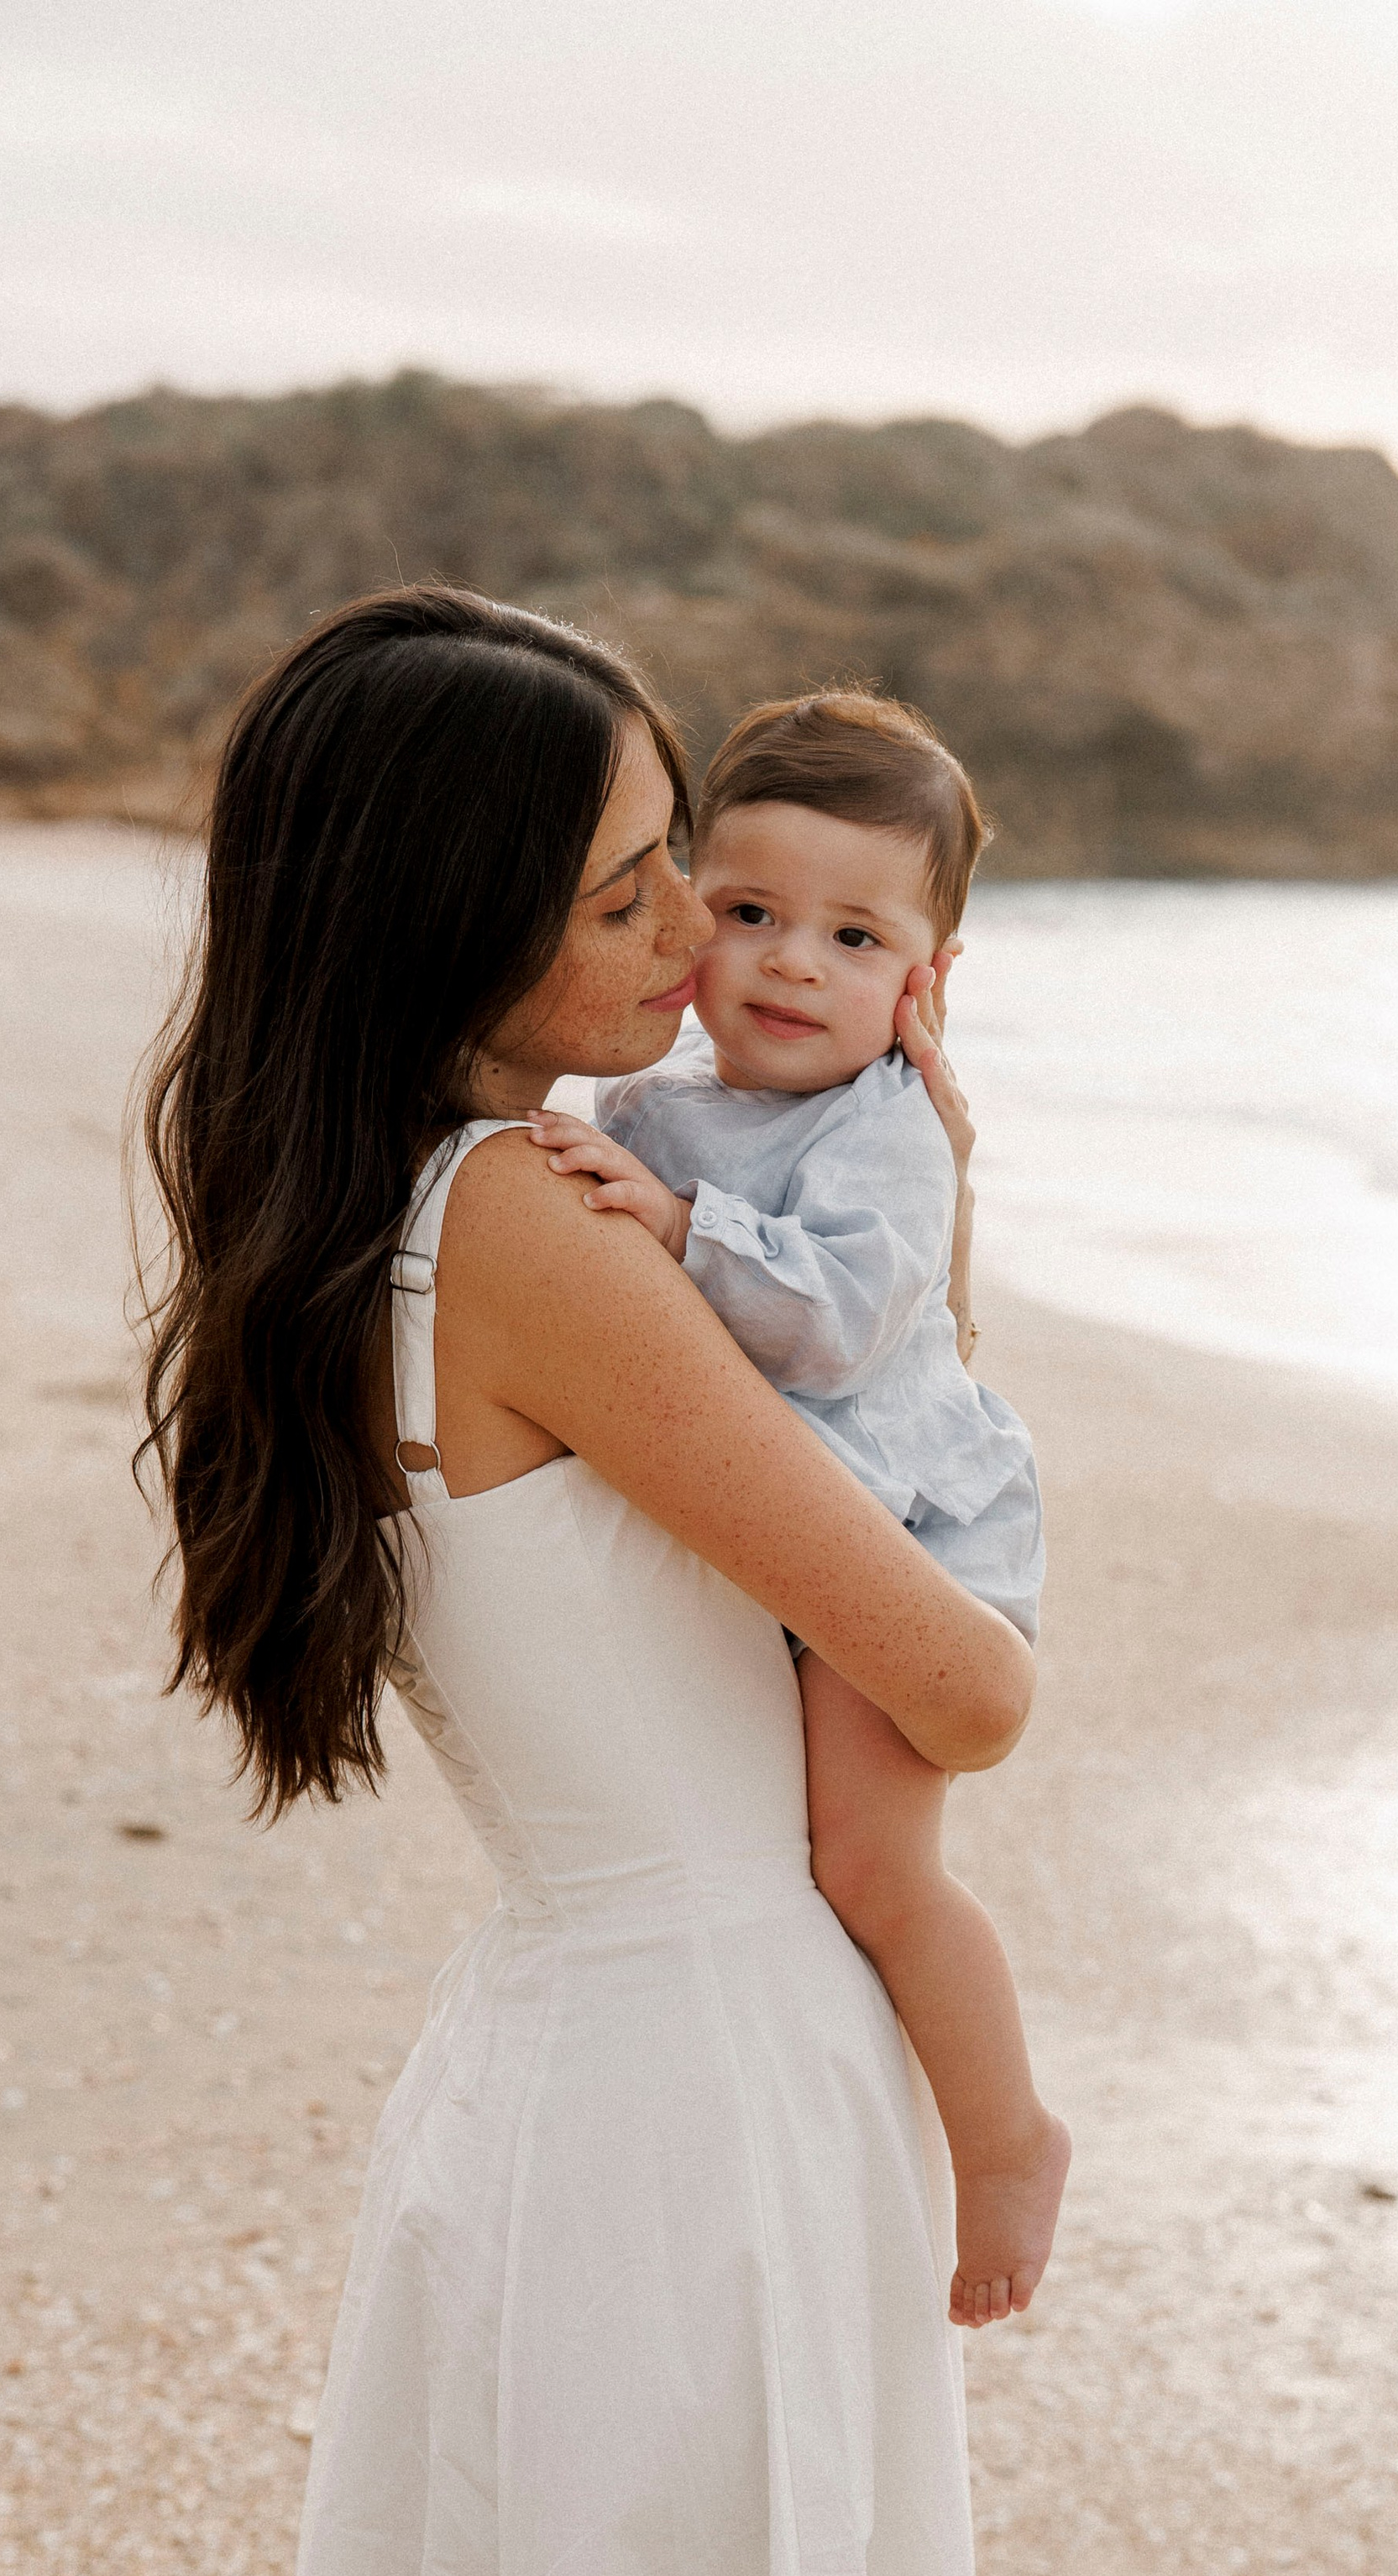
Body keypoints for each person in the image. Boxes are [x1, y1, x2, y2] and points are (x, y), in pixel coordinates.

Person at [139, 584, 1032, 2576]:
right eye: (642, 887)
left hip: (556, 2063)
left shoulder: (360, 1214)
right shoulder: (538, 1227)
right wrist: (926, 1247)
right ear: (459, 909)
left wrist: (894, 1212)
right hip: (699, 2110)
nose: (695, 945)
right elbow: (956, 1681)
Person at [526, 690, 1069, 2331]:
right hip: (798, 1517)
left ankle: (1003, 2135)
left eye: (850, 934)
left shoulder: (892, 1130)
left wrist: (683, 1231)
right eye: (748, 913)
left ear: (928, 980)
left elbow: (833, 1322)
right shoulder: (663, 1105)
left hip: (916, 1527)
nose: (786, 963)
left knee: (870, 1862)